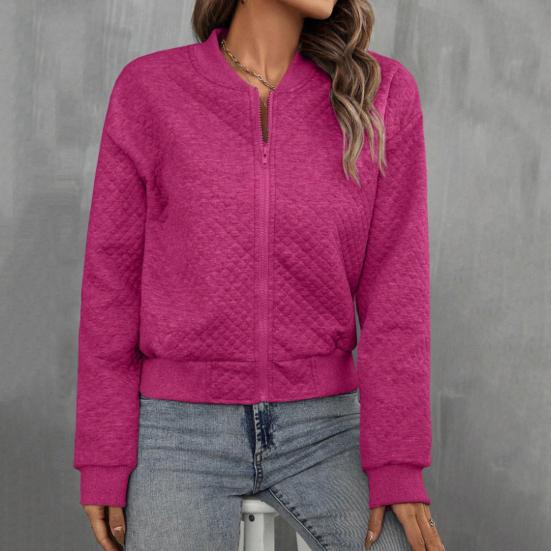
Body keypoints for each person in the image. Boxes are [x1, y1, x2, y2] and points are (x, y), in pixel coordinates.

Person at [73, 1, 446, 549]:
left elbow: (398, 293)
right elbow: (111, 285)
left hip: (326, 428)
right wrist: (103, 457)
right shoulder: (150, 89)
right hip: (179, 432)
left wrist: (397, 462)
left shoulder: (380, 91)